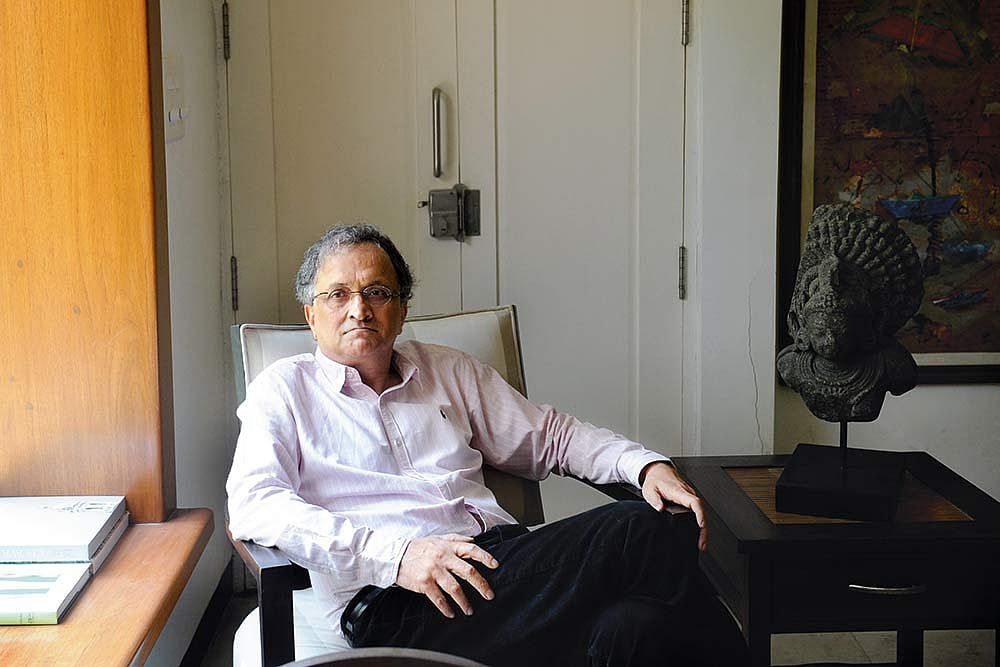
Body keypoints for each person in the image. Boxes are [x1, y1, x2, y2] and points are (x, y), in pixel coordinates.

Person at [227, 224, 749, 665]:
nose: (359, 309)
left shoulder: (448, 370)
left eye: (377, 292)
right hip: (400, 598)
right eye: (338, 294)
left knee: (633, 626)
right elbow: (255, 502)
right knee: (641, 528)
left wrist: (643, 466)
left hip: (502, 566)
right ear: (310, 315)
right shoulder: (284, 390)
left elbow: (551, 436)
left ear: (402, 309)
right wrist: (397, 555)